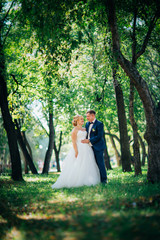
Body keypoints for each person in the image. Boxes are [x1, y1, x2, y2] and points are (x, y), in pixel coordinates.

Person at [52, 115, 100, 189]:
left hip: (87, 148)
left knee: (87, 164)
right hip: (79, 148)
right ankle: (76, 180)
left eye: (83, 119)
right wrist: (76, 152)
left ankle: (87, 179)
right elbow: (74, 142)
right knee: (78, 164)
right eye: (81, 119)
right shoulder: (74, 130)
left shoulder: (84, 129)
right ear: (77, 120)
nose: (82, 120)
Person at [81, 110, 107, 184]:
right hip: (89, 148)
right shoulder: (87, 124)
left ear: (93, 116)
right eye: (86, 116)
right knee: (92, 164)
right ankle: (95, 179)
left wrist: (89, 140)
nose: (87, 118)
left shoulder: (99, 124)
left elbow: (99, 136)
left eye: (88, 116)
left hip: (98, 147)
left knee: (100, 163)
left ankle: (104, 180)